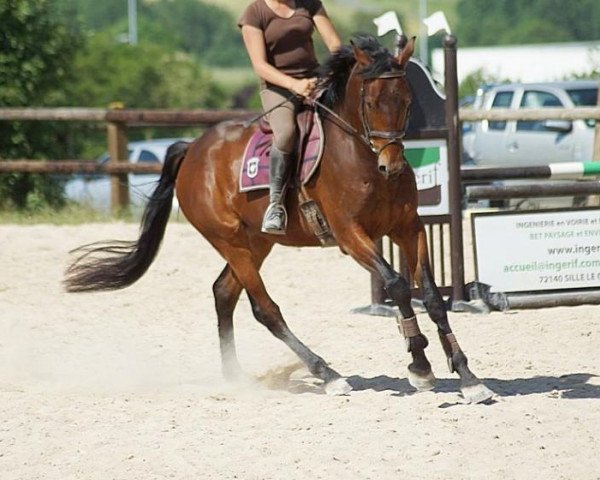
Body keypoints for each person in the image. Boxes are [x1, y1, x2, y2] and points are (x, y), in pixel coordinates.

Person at [238, 0, 341, 235]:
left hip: (315, 80)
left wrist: (335, 73)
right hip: (278, 88)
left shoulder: (310, 4)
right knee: (286, 134)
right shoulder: (255, 13)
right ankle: (276, 205)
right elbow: (260, 66)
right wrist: (294, 85)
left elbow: (335, 45)